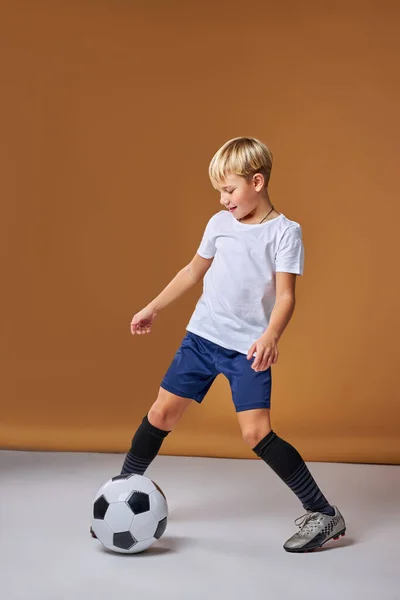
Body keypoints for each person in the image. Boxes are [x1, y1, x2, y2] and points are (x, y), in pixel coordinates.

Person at [92, 136, 346, 553]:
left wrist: (271, 335)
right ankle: (121, 496)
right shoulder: (218, 224)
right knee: (162, 412)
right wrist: (152, 307)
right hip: (201, 338)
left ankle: (323, 513)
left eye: (229, 190)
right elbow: (193, 271)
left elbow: (285, 296)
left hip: (247, 349)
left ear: (257, 182)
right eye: (220, 191)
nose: (223, 199)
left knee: (255, 433)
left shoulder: (285, 233)